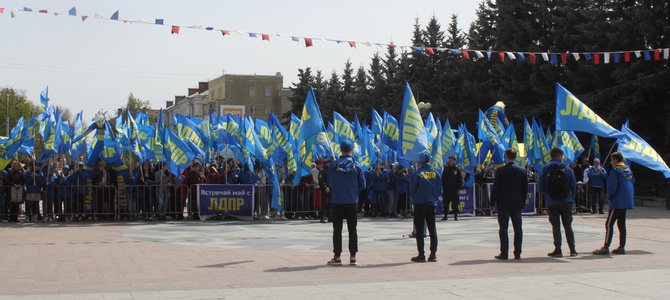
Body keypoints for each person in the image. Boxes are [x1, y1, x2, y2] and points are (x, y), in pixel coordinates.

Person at [326, 140, 366, 266]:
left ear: (341, 149)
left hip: (337, 200)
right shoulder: (356, 165)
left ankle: (337, 256)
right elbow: (363, 184)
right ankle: (353, 256)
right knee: (352, 229)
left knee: (337, 229)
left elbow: (330, 183)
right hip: (352, 200)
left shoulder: (334, 165)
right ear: (351, 150)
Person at [539, 147, 578, 257]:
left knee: (555, 226)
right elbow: (573, 184)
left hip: (552, 201)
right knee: (568, 226)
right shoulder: (566, 168)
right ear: (559, 156)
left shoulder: (545, 169)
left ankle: (558, 249)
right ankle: (572, 249)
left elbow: (541, 187)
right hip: (566, 201)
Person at [593, 152, 634, 255]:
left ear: (615, 160)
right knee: (621, 224)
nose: (611, 162)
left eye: (611, 160)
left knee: (609, 223)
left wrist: (610, 197)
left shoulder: (615, 171)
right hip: (626, 200)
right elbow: (632, 182)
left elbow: (612, 186)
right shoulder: (628, 170)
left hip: (617, 201)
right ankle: (621, 247)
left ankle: (606, 247)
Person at [490, 148, 528, 260]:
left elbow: (496, 188)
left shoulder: (501, 171)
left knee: (503, 228)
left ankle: (504, 253)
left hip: (504, 203)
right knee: (518, 229)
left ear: (506, 156)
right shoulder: (522, 171)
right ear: (515, 157)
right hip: (517, 203)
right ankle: (517, 253)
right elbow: (525, 189)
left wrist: (492, 202)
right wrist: (523, 201)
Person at [409, 153, 441, 262]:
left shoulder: (417, 174)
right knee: (432, 230)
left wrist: (415, 197)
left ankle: (421, 254)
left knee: (419, 230)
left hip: (419, 204)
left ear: (421, 162)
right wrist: (434, 198)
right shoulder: (435, 173)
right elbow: (439, 189)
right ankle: (433, 254)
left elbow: (412, 189)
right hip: (431, 204)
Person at [441, 156, 463, 221]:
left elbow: (459, 180)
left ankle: (455, 216)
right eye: (449, 161)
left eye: (451, 161)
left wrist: (459, 189)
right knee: (446, 203)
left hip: (454, 190)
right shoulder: (446, 169)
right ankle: (445, 216)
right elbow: (443, 179)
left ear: (454, 161)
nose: (449, 162)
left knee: (455, 204)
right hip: (447, 190)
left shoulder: (457, 169)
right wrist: (443, 188)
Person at [318, 159, 331, 223]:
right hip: (325, 190)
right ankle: (322, 217)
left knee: (330, 203)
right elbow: (321, 180)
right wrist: (325, 187)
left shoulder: (330, 171)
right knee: (324, 203)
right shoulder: (323, 171)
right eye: (329, 163)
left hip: (331, 189)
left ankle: (330, 217)